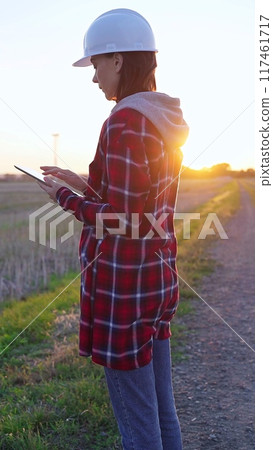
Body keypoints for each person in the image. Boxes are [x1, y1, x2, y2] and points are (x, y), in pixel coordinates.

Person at [38, 8, 189, 450]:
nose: (94, 77)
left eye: (97, 65)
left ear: (118, 61)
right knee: (163, 413)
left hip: (125, 289)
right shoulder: (160, 118)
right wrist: (78, 182)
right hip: (156, 281)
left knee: (138, 426)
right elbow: (135, 198)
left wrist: (63, 199)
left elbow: (123, 219)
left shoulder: (124, 120)